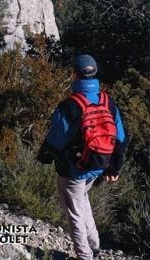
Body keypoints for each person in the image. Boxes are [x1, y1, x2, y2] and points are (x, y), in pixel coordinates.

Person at [37, 53, 126, 260]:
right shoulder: (107, 101)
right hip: (98, 166)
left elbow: (54, 141)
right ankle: (94, 245)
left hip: (74, 170)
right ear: (95, 74)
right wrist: (115, 169)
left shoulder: (69, 106)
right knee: (82, 201)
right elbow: (121, 138)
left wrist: (44, 158)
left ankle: (84, 255)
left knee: (74, 213)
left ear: (74, 75)